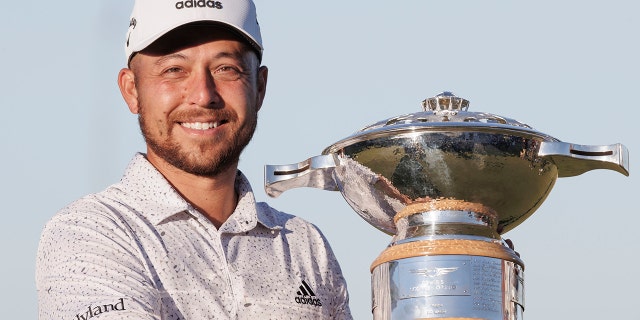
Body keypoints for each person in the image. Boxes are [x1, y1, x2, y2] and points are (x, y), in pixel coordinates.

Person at [35, 0, 352, 319]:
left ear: (259, 88)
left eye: (226, 68)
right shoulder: (89, 231)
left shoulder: (305, 246)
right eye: (174, 70)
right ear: (132, 90)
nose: (203, 94)